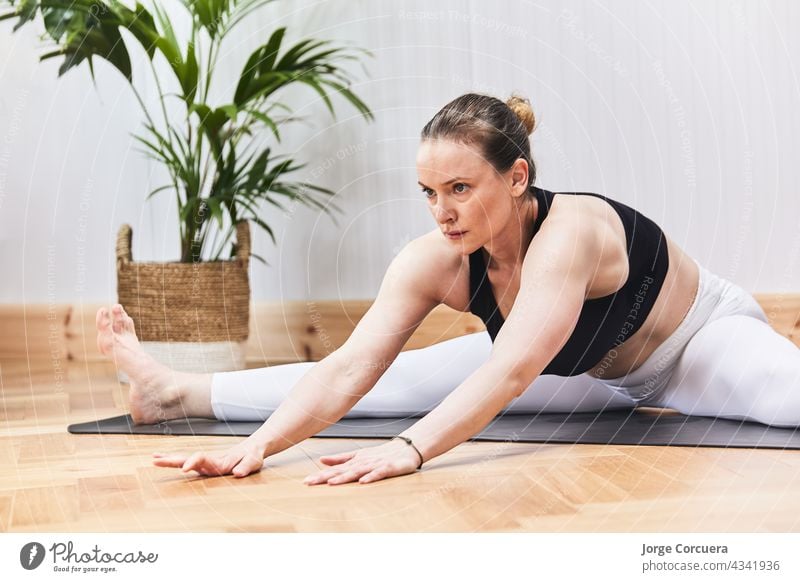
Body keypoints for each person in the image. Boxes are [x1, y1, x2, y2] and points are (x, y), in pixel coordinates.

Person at [95, 92, 800, 485]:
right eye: (430, 191)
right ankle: (175, 393)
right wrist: (263, 447)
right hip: (594, 372)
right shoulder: (435, 258)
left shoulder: (572, 232)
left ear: (517, 177)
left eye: (461, 188)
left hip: (694, 344)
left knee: (786, 397)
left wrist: (410, 450)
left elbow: (514, 367)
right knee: (398, 379)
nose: (443, 211)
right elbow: (348, 368)